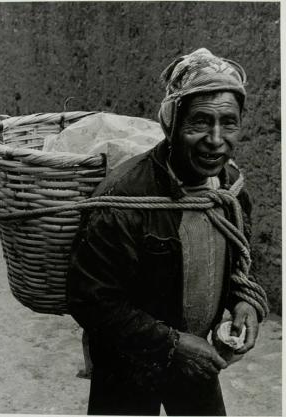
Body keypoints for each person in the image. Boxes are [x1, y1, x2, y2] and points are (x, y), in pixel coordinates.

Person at [66, 48, 269, 416]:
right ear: (172, 122)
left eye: (230, 122)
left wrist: (246, 303)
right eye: (200, 122)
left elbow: (241, 262)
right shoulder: (123, 198)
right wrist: (173, 344)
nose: (216, 138)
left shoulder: (231, 189)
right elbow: (89, 300)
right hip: (126, 366)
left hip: (197, 364)